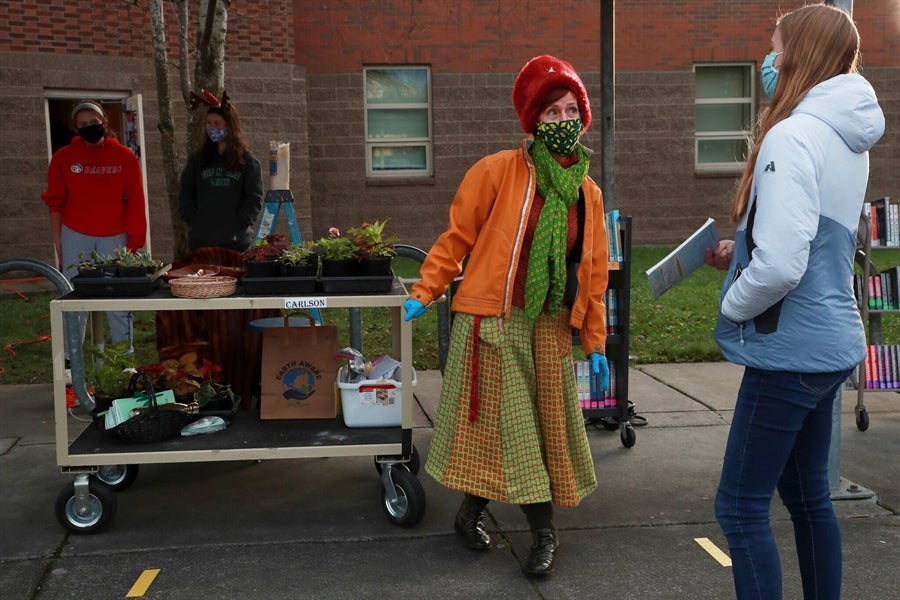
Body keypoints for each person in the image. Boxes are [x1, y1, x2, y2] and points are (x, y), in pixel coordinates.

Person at [403, 55, 610, 577]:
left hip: (548, 325)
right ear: (534, 120)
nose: (562, 121)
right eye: (551, 112)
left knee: (531, 431)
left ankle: (469, 513)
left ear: (582, 118)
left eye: (571, 111)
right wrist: (425, 290)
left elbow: (593, 276)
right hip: (491, 319)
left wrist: (596, 342)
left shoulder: (588, 193)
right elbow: (457, 238)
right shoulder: (497, 171)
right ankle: (544, 533)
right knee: (517, 432)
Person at [704, 5, 884, 599]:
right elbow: (813, 236)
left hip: (789, 350)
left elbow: (783, 263)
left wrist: (732, 307)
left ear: (800, 54)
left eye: (776, 46)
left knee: (738, 508)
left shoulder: (792, 133)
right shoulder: (844, 138)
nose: (769, 59)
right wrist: (744, 249)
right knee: (808, 500)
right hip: (831, 344)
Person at [42, 100, 147, 358]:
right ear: (76, 128)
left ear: (104, 123)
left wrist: (135, 239)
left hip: (115, 236)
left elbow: (135, 200)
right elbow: (55, 201)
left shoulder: (124, 157)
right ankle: (70, 365)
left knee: (118, 303)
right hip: (76, 234)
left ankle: (124, 361)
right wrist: (58, 238)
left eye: (94, 122)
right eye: (83, 125)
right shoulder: (63, 158)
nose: (90, 127)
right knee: (74, 299)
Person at [178, 90, 263, 253]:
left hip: (235, 243)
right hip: (201, 242)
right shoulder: (197, 160)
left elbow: (255, 198)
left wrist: (241, 222)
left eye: (217, 123)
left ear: (230, 126)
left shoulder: (247, 162)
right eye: (208, 123)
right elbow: (185, 193)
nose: (212, 128)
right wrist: (193, 218)